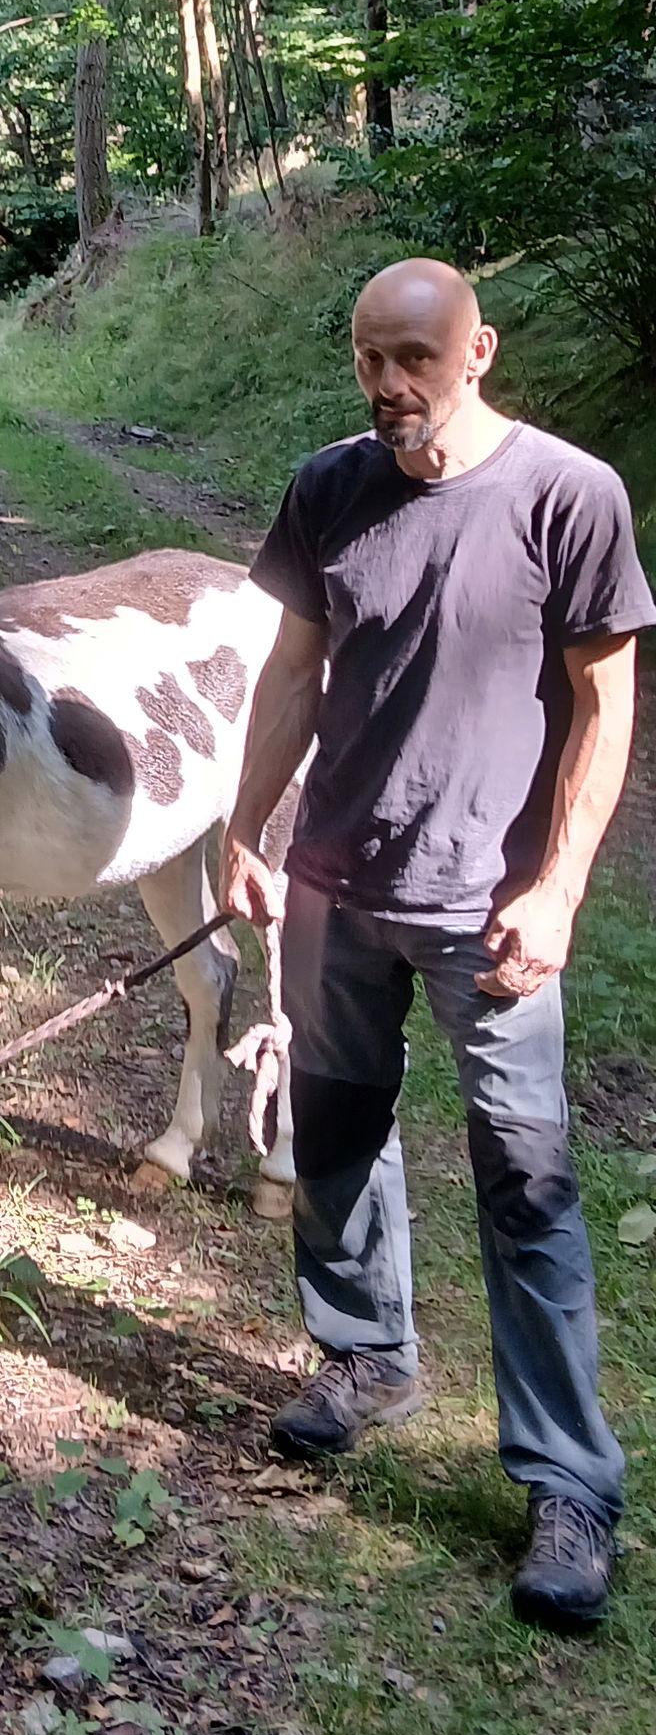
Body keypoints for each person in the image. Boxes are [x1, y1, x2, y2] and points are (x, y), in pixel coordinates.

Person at [220, 256, 653, 1633]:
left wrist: (560, 888)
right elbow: (293, 671)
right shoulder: (327, 489)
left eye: (417, 357)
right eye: (370, 360)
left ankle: (570, 1482)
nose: (393, 386)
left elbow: (605, 705)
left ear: (478, 350)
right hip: (342, 878)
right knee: (337, 1130)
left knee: (524, 1181)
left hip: (490, 906)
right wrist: (245, 831)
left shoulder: (567, 496)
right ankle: (364, 1356)